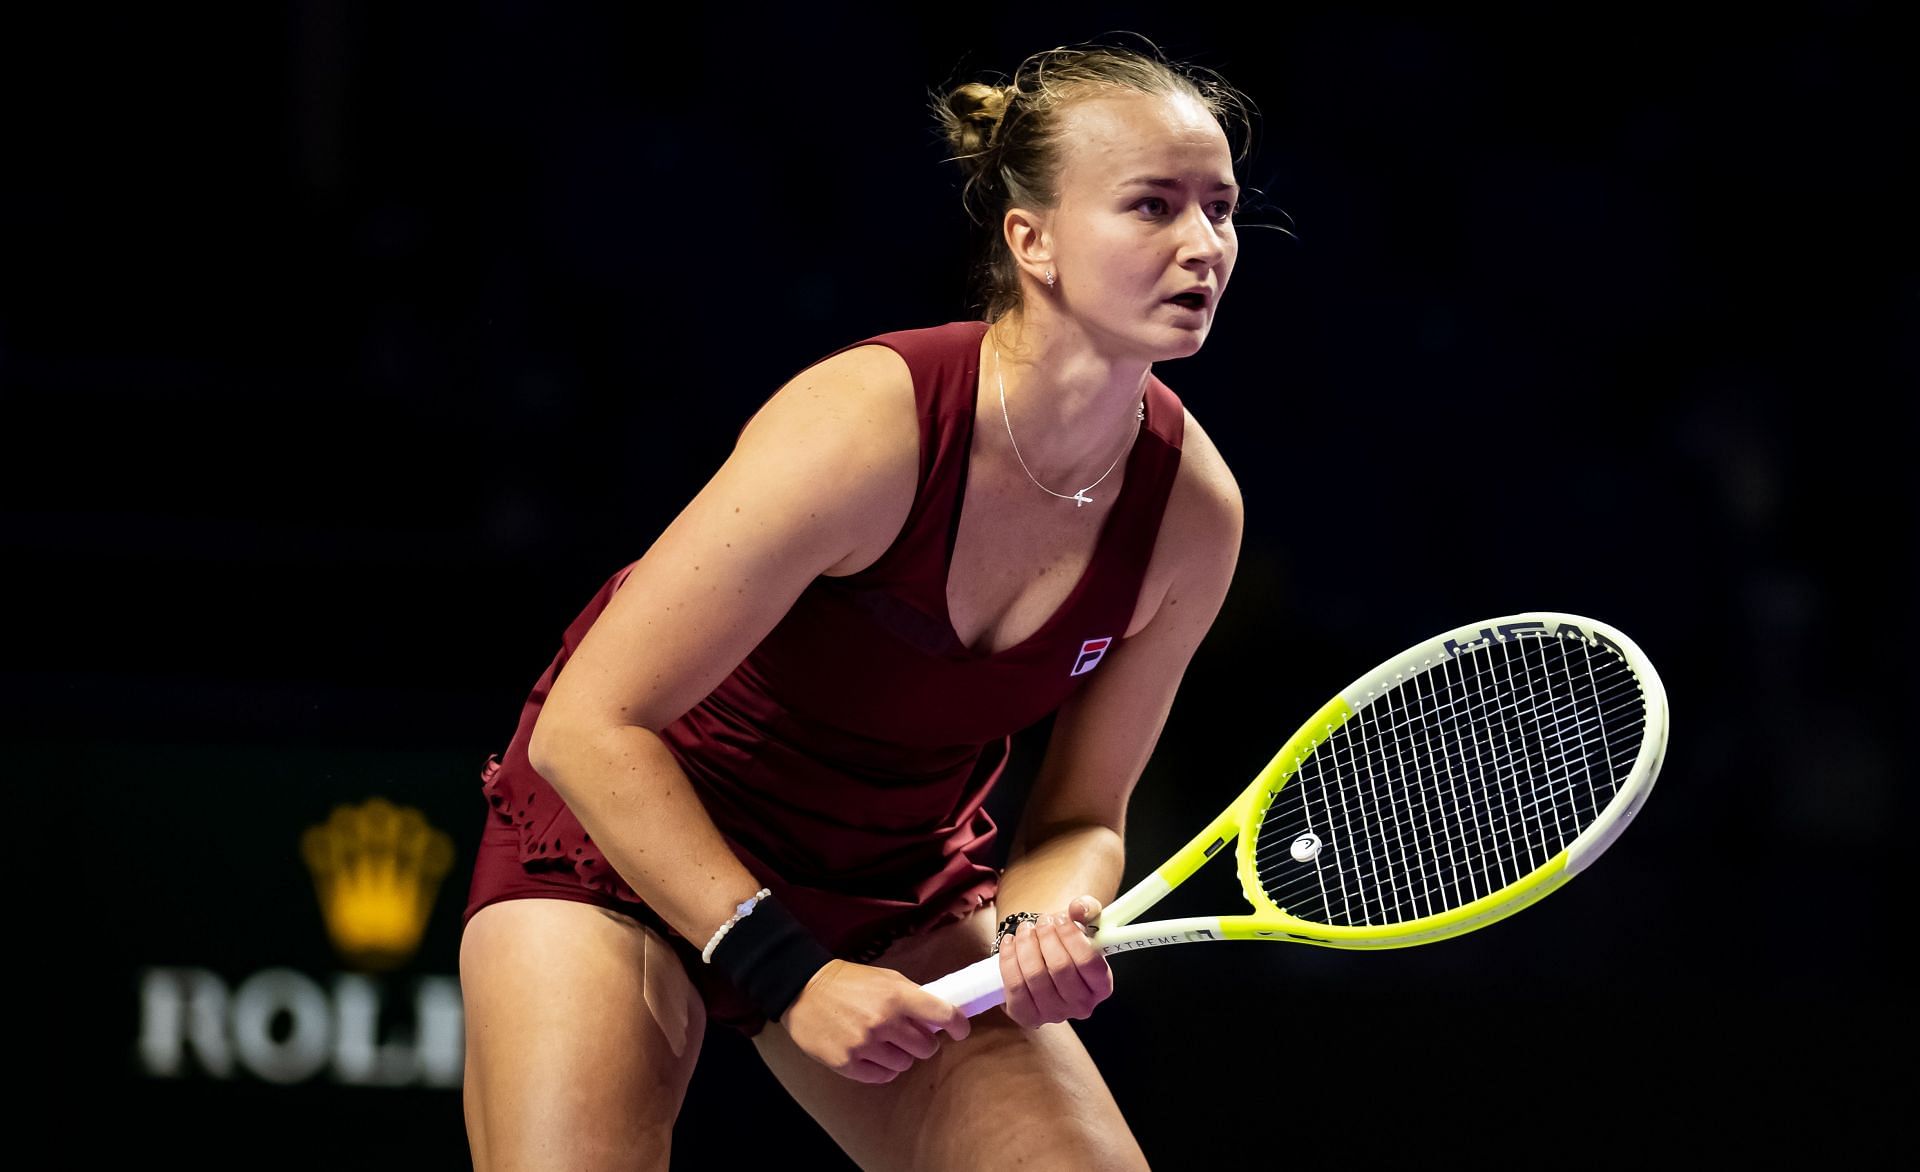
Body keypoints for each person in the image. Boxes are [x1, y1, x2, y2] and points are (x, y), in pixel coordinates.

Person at [458, 35, 1254, 1171]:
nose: (1204, 245)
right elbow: (595, 722)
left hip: (891, 880)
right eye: (1152, 206)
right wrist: (787, 968)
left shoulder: (1191, 515)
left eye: (1219, 208)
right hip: (634, 832)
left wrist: (1040, 922)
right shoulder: (871, 424)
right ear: (1031, 240)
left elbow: (1080, 815)